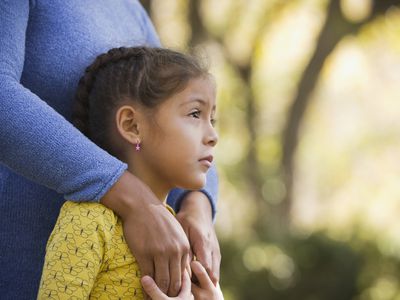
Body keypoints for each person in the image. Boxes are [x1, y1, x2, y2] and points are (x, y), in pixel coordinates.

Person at [0, 2, 220, 299]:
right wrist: (132, 198)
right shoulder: (87, 222)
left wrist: (198, 207)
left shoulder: (129, 9)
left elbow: (174, 103)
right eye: (198, 116)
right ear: (129, 125)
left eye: (212, 118)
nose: (214, 136)